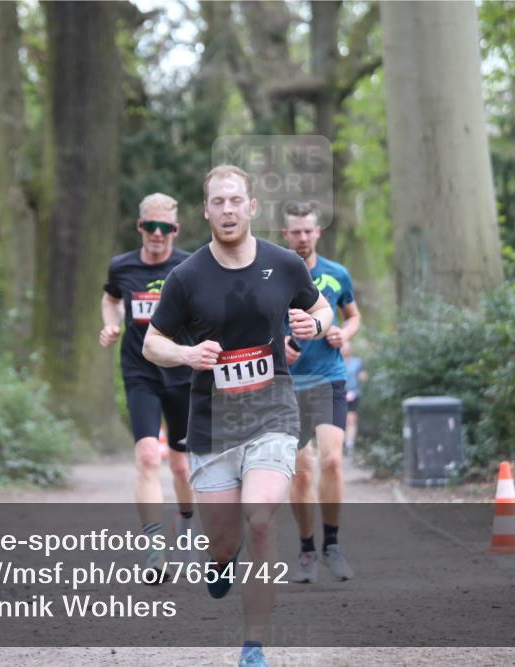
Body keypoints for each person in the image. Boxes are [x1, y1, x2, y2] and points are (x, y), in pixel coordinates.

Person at [143, 166, 333, 667]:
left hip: (273, 413)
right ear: (205, 211)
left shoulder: (285, 264)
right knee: (224, 540)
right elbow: (152, 343)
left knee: (263, 520)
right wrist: (186, 356)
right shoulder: (186, 278)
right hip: (211, 425)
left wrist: (312, 324)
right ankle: (220, 561)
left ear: (251, 207)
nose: (227, 210)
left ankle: (253, 645)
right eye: (217, 202)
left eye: (235, 201)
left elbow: (323, 310)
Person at [100, 193, 195, 578]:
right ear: (140, 227)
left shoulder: (188, 266)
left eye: (165, 228)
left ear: (175, 229)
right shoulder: (121, 266)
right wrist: (111, 323)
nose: (158, 234)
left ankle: (186, 525)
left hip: (181, 372)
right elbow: (110, 298)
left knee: (183, 468)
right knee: (145, 457)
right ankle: (154, 549)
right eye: (150, 226)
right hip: (139, 371)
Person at [281, 201, 361, 584]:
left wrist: (343, 334)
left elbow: (354, 314)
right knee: (301, 471)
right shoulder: (274, 275)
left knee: (330, 461)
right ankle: (307, 548)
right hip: (288, 385)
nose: (302, 237)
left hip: (329, 376)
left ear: (318, 233)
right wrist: (277, 342)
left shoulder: (336, 273)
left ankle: (332, 544)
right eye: (295, 231)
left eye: (308, 230)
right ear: (285, 235)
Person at [342, 340, 366, 452]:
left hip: (353, 393)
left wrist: (363, 377)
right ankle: (340, 442)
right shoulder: (336, 362)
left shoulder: (357, 362)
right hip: (339, 394)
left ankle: (349, 444)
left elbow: (362, 375)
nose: (345, 349)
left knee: (351, 419)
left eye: (347, 347)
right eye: (343, 347)